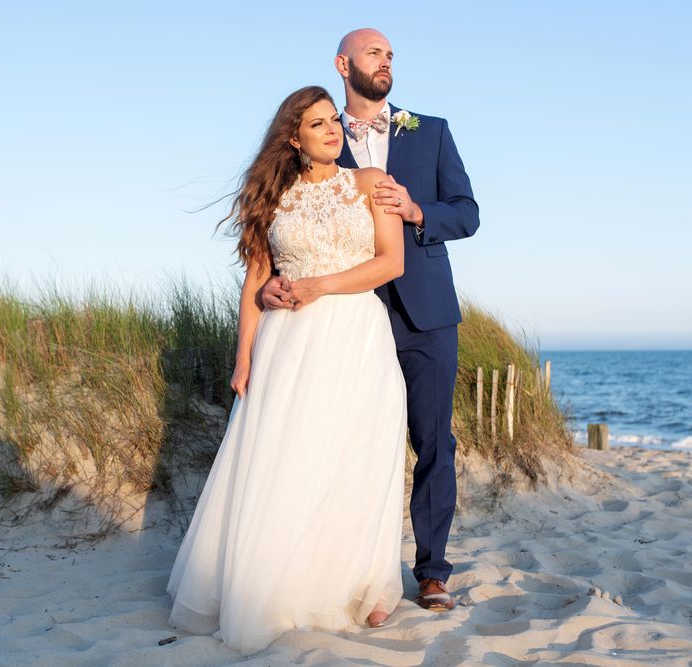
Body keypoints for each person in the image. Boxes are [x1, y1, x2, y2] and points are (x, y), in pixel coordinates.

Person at [167, 85, 409, 655]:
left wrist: (319, 285)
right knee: (288, 458)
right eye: (317, 124)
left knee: (356, 457)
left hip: (355, 335)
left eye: (333, 121)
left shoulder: (370, 184)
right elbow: (255, 281)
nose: (331, 130)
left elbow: (390, 263)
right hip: (288, 342)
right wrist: (244, 354)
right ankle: (278, 587)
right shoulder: (272, 199)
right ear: (294, 139)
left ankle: (362, 584)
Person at [263, 28, 479, 612]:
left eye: (391, 55)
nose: (386, 62)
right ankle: (349, 571)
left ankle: (432, 572)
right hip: (351, 318)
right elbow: (289, 231)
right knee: (351, 444)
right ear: (343, 64)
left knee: (434, 441)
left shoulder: (431, 131)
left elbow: (468, 213)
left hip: (427, 314)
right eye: (374, 53)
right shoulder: (324, 138)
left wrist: (415, 210)